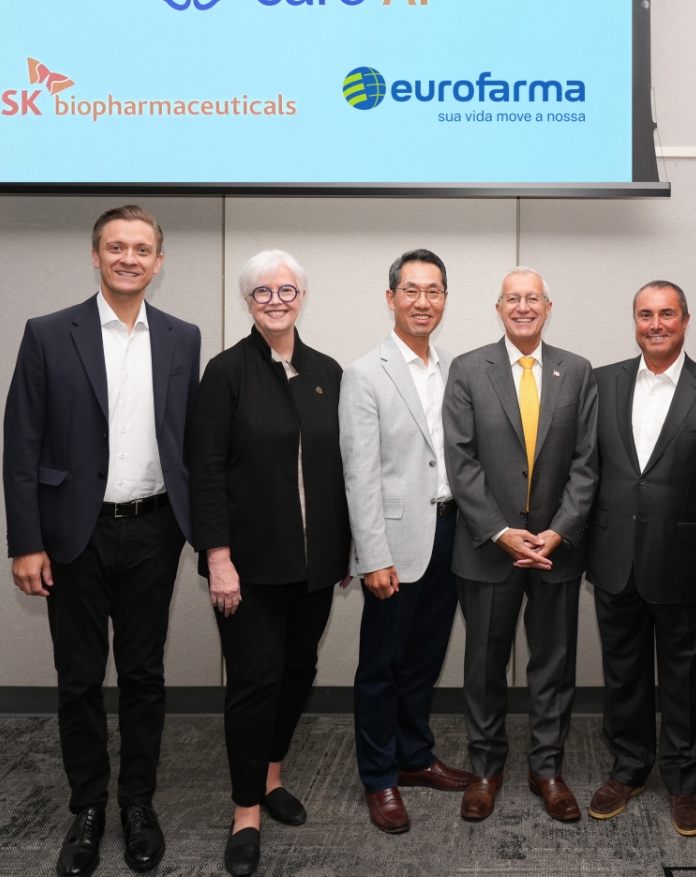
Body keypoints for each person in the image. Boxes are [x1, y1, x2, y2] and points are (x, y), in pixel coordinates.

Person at [3, 205, 199, 877]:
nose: (128, 258)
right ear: (96, 255)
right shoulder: (48, 332)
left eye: (141, 249)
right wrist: (26, 540)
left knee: (144, 676)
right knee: (80, 677)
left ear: (158, 261)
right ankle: (87, 807)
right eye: (116, 247)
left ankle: (137, 804)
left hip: (154, 530)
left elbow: (188, 440)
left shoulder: (182, 337)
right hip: (72, 534)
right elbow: (22, 442)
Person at [188, 250, 350, 877]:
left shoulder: (327, 371)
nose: (276, 300)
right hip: (248, 566)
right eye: (263, 291)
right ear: (248, 301)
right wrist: (218, 558)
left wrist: (343, 549)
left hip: (314, 564)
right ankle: (246, 809)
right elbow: (205, 471)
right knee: (255, 682)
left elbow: (340, 468)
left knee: (298, 671)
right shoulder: (225, 372)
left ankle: (272, 775)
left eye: (287, 290)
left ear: (301, 298)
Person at [442, 267, 599, 823]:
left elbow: (587, 461)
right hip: (488, 548)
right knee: (485, 665)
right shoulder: (468, 369)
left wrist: (559, 529)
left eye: (534, 298)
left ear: (548, 307)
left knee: (553, 665)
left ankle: (546, 769)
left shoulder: (576, 370)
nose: (524, 307)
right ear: (499, 307)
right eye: (513, 298)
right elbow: (460, 461)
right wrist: (501, 532)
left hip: (556, 548)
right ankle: (486, 769)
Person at [586, 281, 696, 837]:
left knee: (685, 676)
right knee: (623, 672)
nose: (656, 324)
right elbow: (588, 470)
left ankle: (684, 781)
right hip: (614, 557)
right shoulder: (602, 382)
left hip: (684, 562)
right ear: (635, 322)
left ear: (685, 320)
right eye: (646, 314)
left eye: (667, 314)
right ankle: (628, 768)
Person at [340, 249, 473, 835]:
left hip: (451, 534)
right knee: (381, 668)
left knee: (424, 660)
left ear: (445, 299)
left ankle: (414, 756)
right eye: (412, 290)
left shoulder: (455, 370)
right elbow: (359, 474)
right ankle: (379, 777)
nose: (423, 302)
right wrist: (372, 556)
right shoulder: (365, 373)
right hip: (394, 544)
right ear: (391, 297)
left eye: (434, 291)